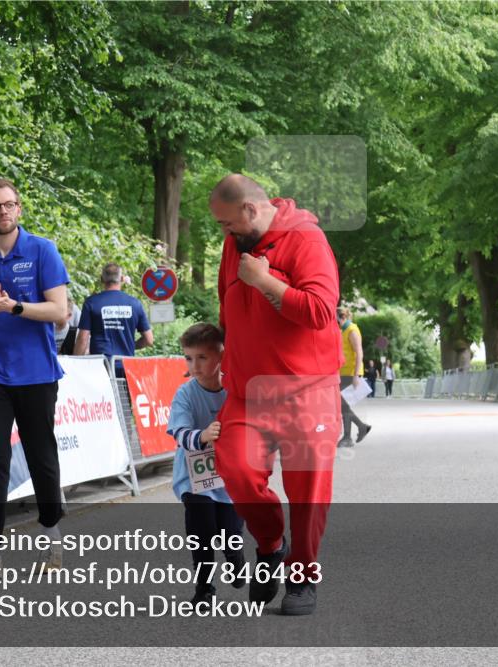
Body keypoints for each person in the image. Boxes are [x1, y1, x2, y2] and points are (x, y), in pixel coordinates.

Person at [209, 173, 343, 616]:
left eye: (227, 224)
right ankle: (271, 545)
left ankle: (303, 578)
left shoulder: (306, 239)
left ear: (250, 209)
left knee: (307, 491)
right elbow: (228, 311)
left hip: (307, 389)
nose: (224, 234)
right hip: (248, 390)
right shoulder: (236, 246)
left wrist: (267, 283)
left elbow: (323, 311)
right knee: (237, 471)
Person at [0, 177, 70, 576]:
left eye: (9, 204)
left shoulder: (42, 250)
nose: (2, 212)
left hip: (37, 373)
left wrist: (15, 307)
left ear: (19, 208)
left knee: (41, 456)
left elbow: (60, 311)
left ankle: (52, 533)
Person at [166, 323, 246, 607]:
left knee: (229, 532)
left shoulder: (235, 391)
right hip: (193, 478)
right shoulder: (185, 394)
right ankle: (204, 588)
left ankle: (235, 558)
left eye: (203, 357)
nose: (195, 365)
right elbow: (178, 431)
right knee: (202, 531)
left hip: (229, 481)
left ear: (221, 356)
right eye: (189, 358)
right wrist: (201, 435)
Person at [75, 262, 153, 377]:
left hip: (100, 367)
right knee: (122, 395)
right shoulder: (135, 304)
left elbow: (83, 338)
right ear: (121, 279)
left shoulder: (92, 303)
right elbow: (149, 340)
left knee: (101, 396)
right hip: (126, 367)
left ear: (102, 279)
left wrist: (75, 363)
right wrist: (131, 345)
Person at [337, 307, 372, 447]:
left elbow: (359, 353)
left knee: (342, 405)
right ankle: (359, 428)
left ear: (342, 317)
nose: (334, 322)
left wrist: (356, 375)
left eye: (336, 319)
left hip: (351, 373)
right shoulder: (343, 330)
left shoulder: (352, 330)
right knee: (342, 405)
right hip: (343, 372)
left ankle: (348, 437)